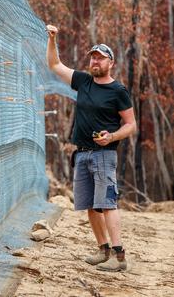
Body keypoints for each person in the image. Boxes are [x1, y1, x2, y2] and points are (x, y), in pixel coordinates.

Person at [45, 24, 137, 272]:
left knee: (107, 203)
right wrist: (52, 39)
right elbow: (55, 65)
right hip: (83, 154)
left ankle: (119, 257)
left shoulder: (118, 91)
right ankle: (102, 249)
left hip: (104, 155)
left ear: (111, 63)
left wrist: (112, 136)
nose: (95, 61)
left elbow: (131, 125)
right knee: (91, 206)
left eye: (100, 58)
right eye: (93, 57)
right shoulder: (84, 82)